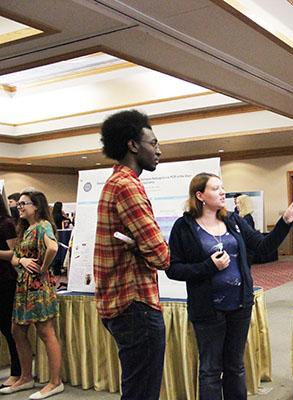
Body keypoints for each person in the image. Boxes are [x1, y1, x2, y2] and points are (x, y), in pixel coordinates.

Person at [166, 172, 293, 400]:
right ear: (200, 195)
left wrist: (286, 221)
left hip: (239, 305)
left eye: (222, 187)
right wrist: (208, 266)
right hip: (207, 309)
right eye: (215, 188)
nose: (222, 192)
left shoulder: (232, 220)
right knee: (210, 370)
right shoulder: (184, 227)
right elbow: (174, 269)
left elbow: (262, 246)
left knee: (235, 366)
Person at [93, 110, 170, 400]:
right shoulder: (128, 187)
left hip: (121, 306)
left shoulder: (114, 183)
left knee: (136, 389)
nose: (159, 150)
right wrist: (145, 249)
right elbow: (162, 256)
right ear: (133, 145)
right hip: (135, 305)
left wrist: (140, 248)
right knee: (142, 393)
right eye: (153, 143)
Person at [0, 190, 63, 399]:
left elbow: (52, 248)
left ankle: (55, 382)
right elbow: (15, 258)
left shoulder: (43, 225)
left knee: (46, 331)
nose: (20, 208)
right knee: (17, 330)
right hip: (24, 286)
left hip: (38, 286)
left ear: (36, 206)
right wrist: (24, 261)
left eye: (24, 204)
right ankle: (25, 377)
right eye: (18, 205)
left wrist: (43, 268)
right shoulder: (26, 228)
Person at [0, 195, 20, 389]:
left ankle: (17, 371)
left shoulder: (6, 223)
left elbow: (15, 253)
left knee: (8, 329)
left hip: (5, 281)